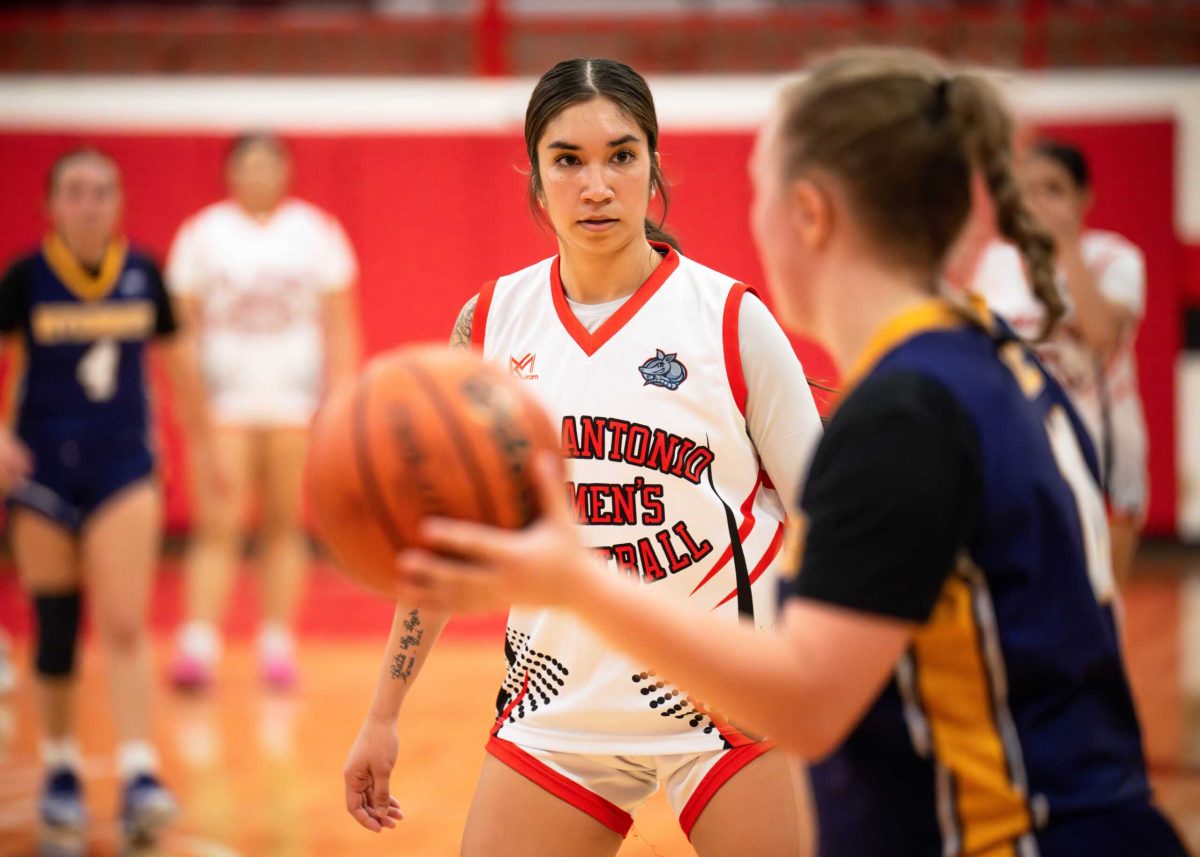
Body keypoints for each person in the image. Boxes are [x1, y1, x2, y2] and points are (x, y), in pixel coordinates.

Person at [395, 49, 1189, 856]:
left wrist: (573, 579)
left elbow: (806, 699)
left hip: (1023, 830)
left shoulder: (905, 411)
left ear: (807, 213)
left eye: (758, 188)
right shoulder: (976, 364)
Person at [343, 58, 822, 856]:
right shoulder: (492, 324)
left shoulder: (730, 319)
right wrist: (383, 713)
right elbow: (446, 541)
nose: (595, 184)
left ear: (654, 165)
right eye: (567, 160)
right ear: (534, 175)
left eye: (620, 155)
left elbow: (838, 520)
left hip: (725, 702)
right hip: (557, 702)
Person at [0, 148, 216, 842]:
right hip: (41, 472)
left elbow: (183, 372)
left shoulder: (143, 273)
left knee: (125, 622)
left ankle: (138, 769)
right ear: (51, 204)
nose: (88, 203)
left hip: (125, 468)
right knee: (55, 627)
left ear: (118, 202)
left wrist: (208, 453)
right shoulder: (26, 279)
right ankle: (61, 768)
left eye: (100, 191)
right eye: (74, 191)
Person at [167, 133, 361, 690]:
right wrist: (190, 404)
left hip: (295, 406)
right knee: (217, 525)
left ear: (285, 172)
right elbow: (179, 329)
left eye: (268, 163)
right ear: (230, 173)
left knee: (284, 524)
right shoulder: (202, 235)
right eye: (247, 164)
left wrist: (340, 398)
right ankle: (199, 643)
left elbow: (340, 322)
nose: (258, 173)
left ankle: (277, 642)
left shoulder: (316, 233)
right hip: (225, 405)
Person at [971, 140, 1149, 584]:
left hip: (1104, 442)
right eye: (1027, 190)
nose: (1038, 201)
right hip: (1026, 442)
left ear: (1084, 197)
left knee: (1104, 599)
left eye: (1053, 189)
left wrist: (1067, 245)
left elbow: (1102, 334)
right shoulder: (994, 262)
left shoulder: (1116, 258)